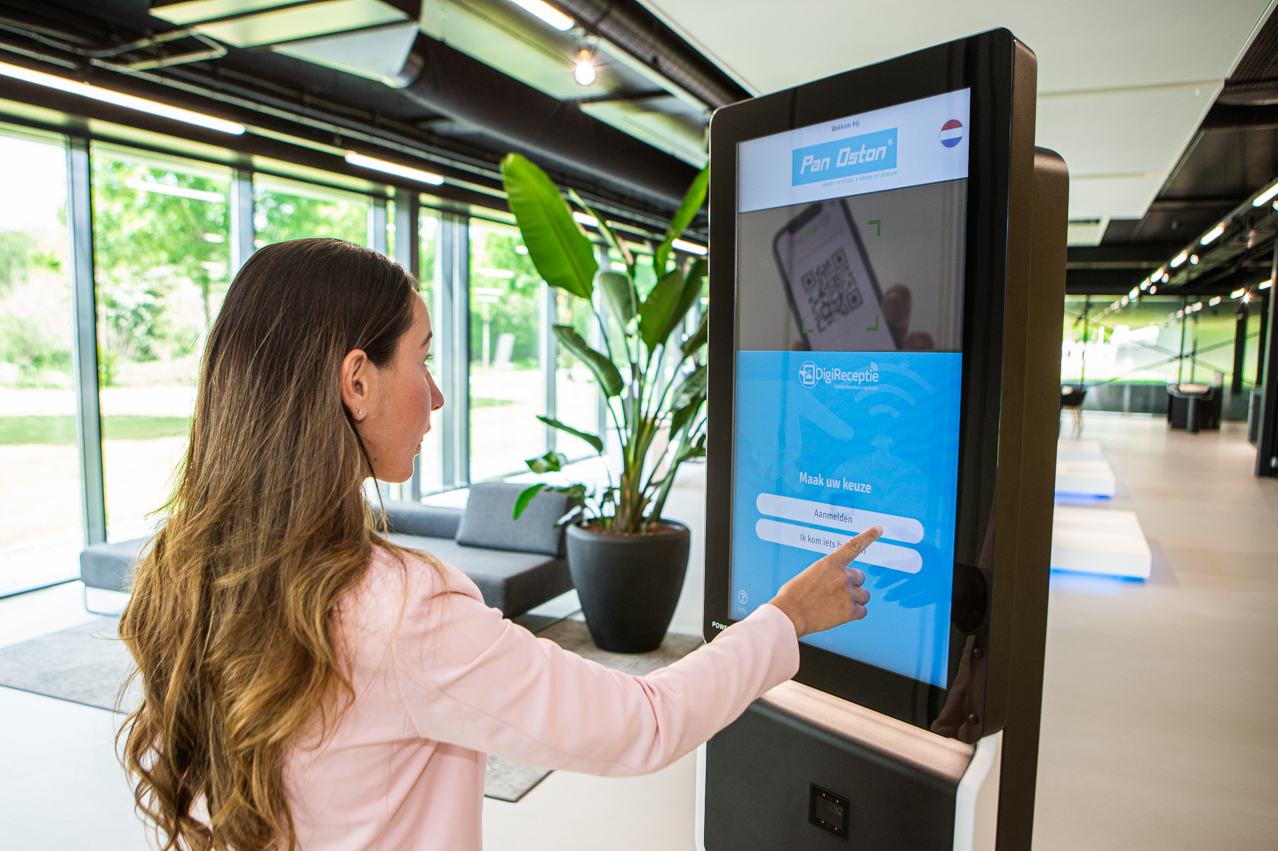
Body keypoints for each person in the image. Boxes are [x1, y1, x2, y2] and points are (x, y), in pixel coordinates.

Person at [118, 238, 879, 851]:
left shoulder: (181, 572)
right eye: (422, 358)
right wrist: (784, 617)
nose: (437, 394)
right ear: (357, 381)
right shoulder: (401, 609)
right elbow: (641, 721)